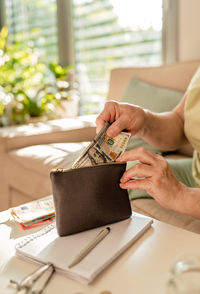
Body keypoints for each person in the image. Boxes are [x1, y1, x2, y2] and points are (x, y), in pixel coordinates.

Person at [96, 67, 200, 219]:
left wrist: (181, 196)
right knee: (114, 177)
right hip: (195, 171)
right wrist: (144, 120)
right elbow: (179, 121)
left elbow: (180, 195)